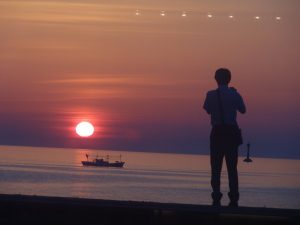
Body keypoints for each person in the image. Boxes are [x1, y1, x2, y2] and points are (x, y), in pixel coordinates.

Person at [203, 68, 246, 207]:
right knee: (232, 168)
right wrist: (234, 93)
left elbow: (208, 110)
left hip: (216, 133)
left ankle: (216, 196)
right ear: (229, 79)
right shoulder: (234, 94)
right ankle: (234, 198)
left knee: (215, 167)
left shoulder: (210, 95)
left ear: (216, 79)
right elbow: (243, 110)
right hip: (230, 133)